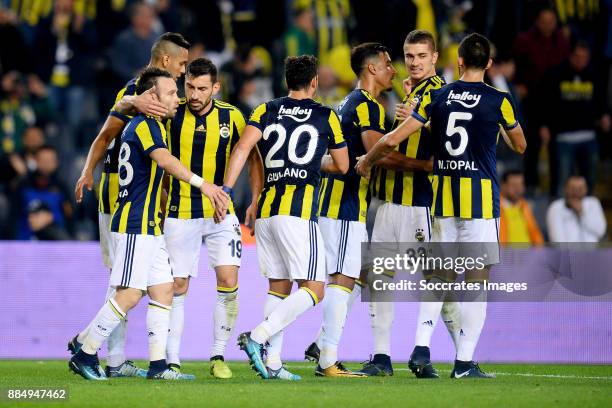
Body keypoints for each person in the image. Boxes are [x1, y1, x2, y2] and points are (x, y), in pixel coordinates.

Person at [356, 33, 526, 378]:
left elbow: (393, 139)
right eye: (409, 55)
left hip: (439, 202)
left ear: (454, 61)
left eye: (421, 55)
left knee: (438, 277)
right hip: (478, 200)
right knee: (474, 282)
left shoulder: (438, 96)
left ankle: (421, 345)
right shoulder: (499, 100)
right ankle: (462, 362)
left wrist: (366, 160)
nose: (414, 61)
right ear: (489, 64)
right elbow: (520, 145)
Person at [68, 67, 228, 381]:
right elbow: (165, 160)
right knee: (128, 294)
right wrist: (204, 185)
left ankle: (158, 367)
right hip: (135, 224)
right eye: (171, 92)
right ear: (152, 96)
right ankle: (85, 352)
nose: (177, 98)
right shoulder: (144, 125)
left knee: (164, 289)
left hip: (149, 225)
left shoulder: (149, 125)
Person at [70, 32, 189, 378]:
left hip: (142, 197)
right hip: (122, 195)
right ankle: (95, 350)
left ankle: (114, 354)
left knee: (141, 282)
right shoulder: (137, 91)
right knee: (124, 283)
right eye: (181, 64)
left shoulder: (155, 96)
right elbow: (107, 133)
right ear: (165, 61)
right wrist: (87, 170)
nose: (182, 73)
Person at [223, 55, 349, 380]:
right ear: (314, 82)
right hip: (298, 212)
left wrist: (225, 188)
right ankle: (258, 337)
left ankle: (274, 363)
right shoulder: (326, 114)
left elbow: (242, 149)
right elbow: (343, 165)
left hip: (266, 210)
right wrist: (311, 164)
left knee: (278, 286)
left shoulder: (265, 109)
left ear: (286, 81)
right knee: (316, 289)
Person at [161, 57, 263, 379]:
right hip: (180, 211)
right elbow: (158, 160)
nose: (193, 94)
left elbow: (253, 157)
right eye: (189, 86)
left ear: (215, 87)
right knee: (177, 285)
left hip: (221, 213)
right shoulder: (171, 112)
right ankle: (172, 360)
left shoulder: (231, 116)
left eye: (201, 88)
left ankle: (218, 354)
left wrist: (255, 198)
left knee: (229, 281)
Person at [305, 42, 397, 377]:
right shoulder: (365, 104)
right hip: (344, 203)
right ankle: (327, 359)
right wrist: (408, 135)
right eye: (388, 63)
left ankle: (320, 342)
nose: (394, 70)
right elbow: (378, 151)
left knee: (359, 274)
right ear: (371, 68)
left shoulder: (350, 102)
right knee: (342, 278)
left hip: (338, 202)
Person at [540, 41, 610, 196]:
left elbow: (601, 101)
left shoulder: (595, 75)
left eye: (585, 57)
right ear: (570, 56)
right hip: (564, 137)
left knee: (590, 180)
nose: (581, 60)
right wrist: (544, 125)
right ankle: (559, 213)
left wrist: (604, 115)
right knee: (562, 181)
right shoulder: (556, 74)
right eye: (578, 57)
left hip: (589, 136)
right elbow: (546, 102)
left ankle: (587, 213)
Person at [546, 175, 606, 242]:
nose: (576, 192)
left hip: (593, 251)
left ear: (586, 189)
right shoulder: (556, 207)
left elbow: (601, 232)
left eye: (580, 189)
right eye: (573, 189)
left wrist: (581, 213)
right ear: (565, 189)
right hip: (566, 252)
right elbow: (557, 242)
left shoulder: (593, 203)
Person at [499, 170, 544, 245]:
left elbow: (535, 233)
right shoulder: (494, 208)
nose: (518, 189)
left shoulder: (525, 206)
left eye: (520, 185)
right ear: (503, 186)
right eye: (513, 185)